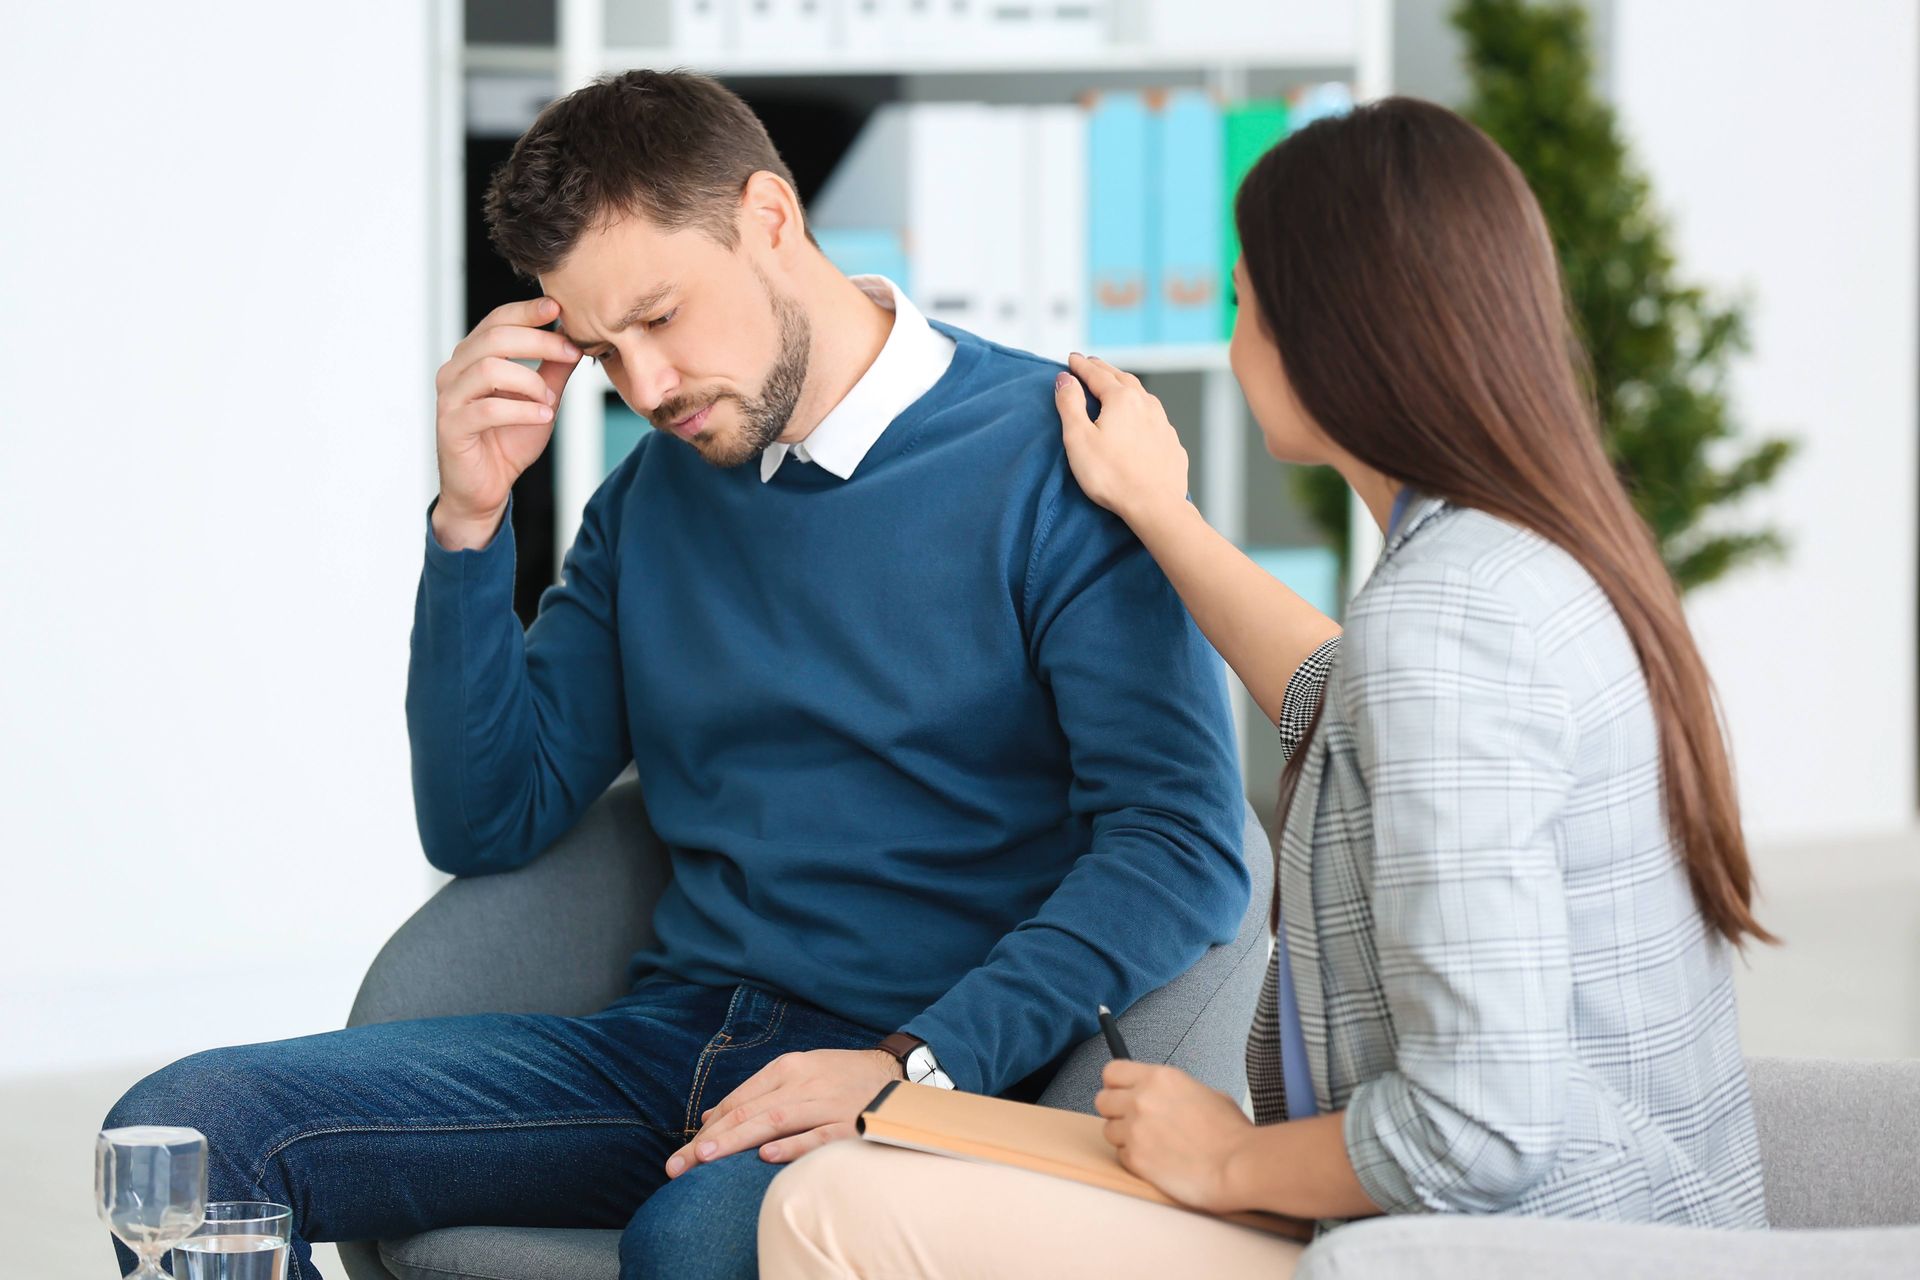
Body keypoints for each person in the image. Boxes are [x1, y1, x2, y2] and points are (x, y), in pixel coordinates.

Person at [101, 69, 1252, 1280]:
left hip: (928, 1074)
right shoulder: (647, 500)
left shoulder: (1055, 456)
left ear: (768, 217)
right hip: (670, 1047)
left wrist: (913, 1062)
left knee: (700, 1242)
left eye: (660, 317)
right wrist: (472, 519)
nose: (643, 389)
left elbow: (1182, 840)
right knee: (183, 1133)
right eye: (603, 350)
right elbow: (488, 817)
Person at [757, 95, 1774, 1278]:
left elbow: (1481, 1128)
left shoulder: (1444, 626)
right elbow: (1344, 704)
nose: (1234, 336)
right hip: (1580, 1216)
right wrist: (1161, 512)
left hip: (1514, 1250)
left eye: (1245, 301)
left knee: (827, 1205)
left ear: (1332, 337)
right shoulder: (1523, 556)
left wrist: (1229, 1161)